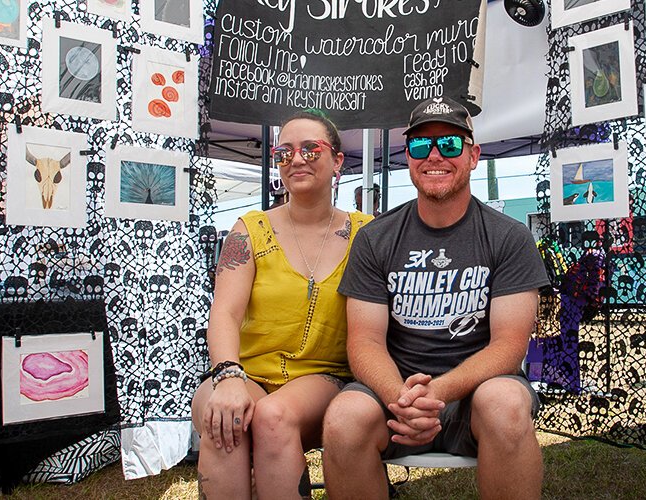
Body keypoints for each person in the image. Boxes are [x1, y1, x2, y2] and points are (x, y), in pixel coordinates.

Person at [323, 97, 550, 499]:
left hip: (477, 395)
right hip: (395, 397)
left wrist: (438, 394)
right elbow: (364, 341)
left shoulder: (509, 237)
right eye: (419, 146)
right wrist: (402, 400)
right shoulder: (375, 238)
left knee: (505, 404)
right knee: (343, 418)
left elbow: (509, 347)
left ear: (473, 155)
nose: (433, 156)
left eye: (449, 145)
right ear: (407, 157)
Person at [193, 110, 372, 499]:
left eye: (311, 148)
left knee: (274, 417)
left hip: (323, 376)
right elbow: (224, 312)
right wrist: (226, 376)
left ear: (338, 160)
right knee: (221, 411)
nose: (297, 159)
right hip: (247, 373)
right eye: (284, 152)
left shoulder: (366, 233)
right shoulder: (250, 229)